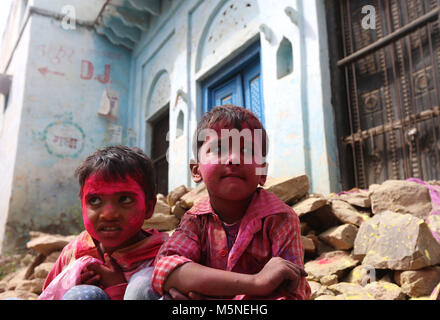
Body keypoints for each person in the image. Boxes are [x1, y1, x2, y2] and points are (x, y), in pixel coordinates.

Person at [151, 105, 311, 300]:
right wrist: (257, 283)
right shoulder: (195, 219)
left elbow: (293, 293)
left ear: (262, 172)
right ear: (196, 170)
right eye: (219, 148)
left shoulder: (280, 218)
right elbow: (165, 269)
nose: (234, 159)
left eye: (248, 150)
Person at [39, 145, 168, 300]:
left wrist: (118, 287)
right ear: (82, 207)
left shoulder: (164, 254)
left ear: (149, 207)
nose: (108, 214)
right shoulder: (74, 251)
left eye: (124, 199)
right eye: (94, 200)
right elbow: (49, 294)